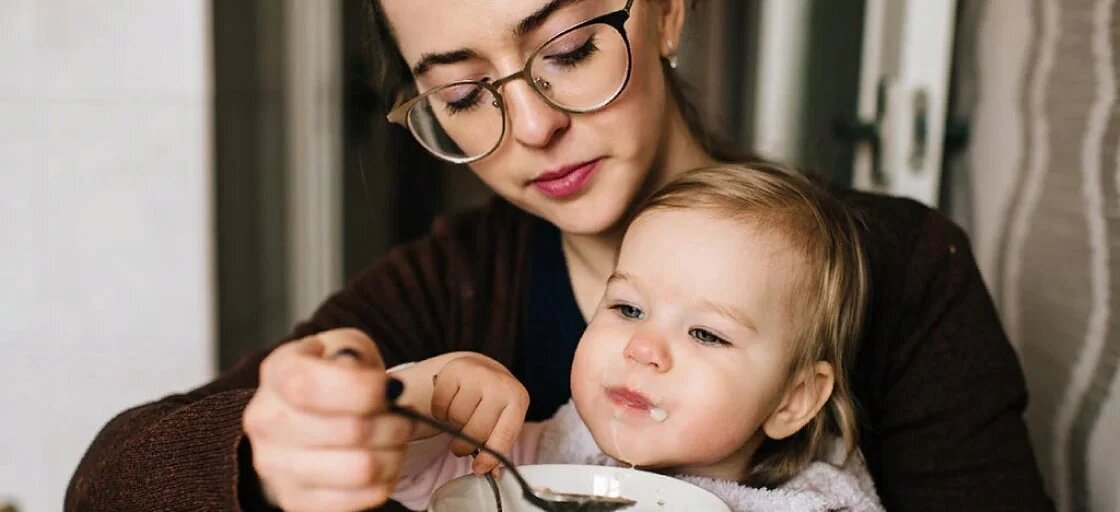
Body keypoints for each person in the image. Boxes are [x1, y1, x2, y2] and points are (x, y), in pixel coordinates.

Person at [65, 1, 1052, 511]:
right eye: (461, 93)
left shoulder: (900, 268)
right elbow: (105, 483)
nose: (529, 125)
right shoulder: (445, 283)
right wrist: (271, 457)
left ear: (665, 10)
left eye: (570, 49)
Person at [387, 164, 884, 511]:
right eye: (628, 308)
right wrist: (432, 395)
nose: (642, 347)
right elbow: (404, 472)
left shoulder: (819, 505)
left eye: (706, 334)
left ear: (793, 400)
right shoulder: (553, 456)